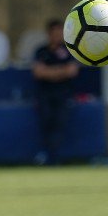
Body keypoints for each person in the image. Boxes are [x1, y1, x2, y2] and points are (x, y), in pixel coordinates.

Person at [32, 19, 79, 165]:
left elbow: (72, 71)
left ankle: (56, 157)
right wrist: (60, 72)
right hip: (45, 94)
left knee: (60, 122)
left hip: (63, 93)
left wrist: (51, 72)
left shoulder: (69, 51)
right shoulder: (41, 51)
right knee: (46, 121)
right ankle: (46, 155)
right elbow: (38, 72)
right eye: (55, 32)